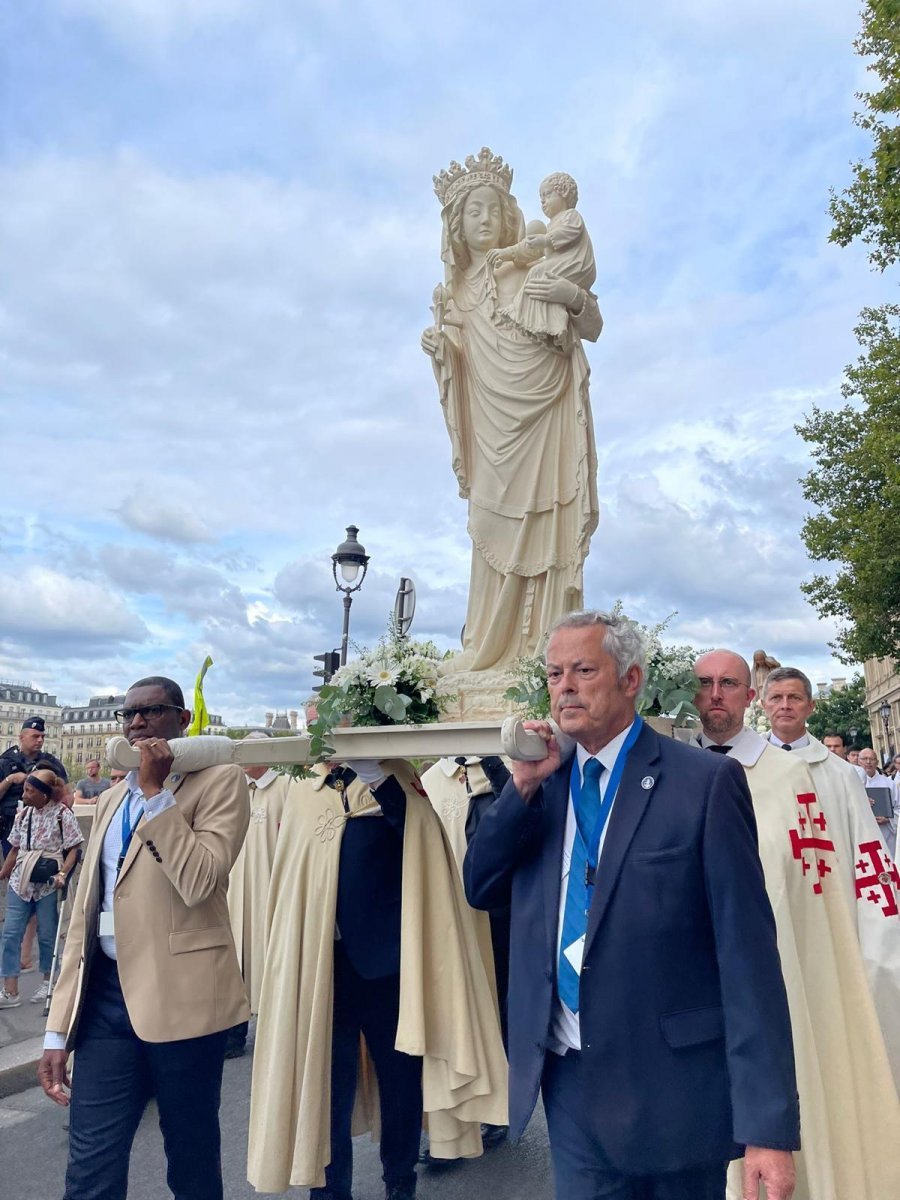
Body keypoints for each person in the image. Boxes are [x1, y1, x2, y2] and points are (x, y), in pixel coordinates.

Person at [464, 610, 799, 1200]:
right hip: (570, 1081)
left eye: (584, 669)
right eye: (554, 673)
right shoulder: (544, 785)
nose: (565, 686)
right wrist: (520, 785)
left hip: (673, 1089)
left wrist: (766, 1129)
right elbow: (481, 886)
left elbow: (747, 960)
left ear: (631, 679)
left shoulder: (701, 783)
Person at [248, 757, 507, 1200]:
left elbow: (421, 838)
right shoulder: (304, 790)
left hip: (389, 965)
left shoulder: (396, 778)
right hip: (323, 965)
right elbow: (293, 872)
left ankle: (399, 1178)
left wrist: (377, 779)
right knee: (328, 1084)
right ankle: (329, 1189)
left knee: (400, 1081)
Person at [693, 650, 900, 1199]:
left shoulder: (812, 779)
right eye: (704, 684)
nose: (716, 695)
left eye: (729, 683)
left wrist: (870, 957)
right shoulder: (673, 771)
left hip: (786, 963)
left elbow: (838, 881)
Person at [37, 676, 250, 1200]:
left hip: (183, 1001)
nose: (135, 723)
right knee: (90, 1165)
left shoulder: (221, 783)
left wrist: (157, 794)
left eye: (150, 711)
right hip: (106, 1002)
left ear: (182, 719)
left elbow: (200, 881)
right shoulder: (110, 799)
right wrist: (56, 1029)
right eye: (127, 714)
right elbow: (84, 918)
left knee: (192, 1158)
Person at [423, 148, 601, 672]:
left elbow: (590, 325)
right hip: (491, 424)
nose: (486, 220)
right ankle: (486, 642)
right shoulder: (453, 291)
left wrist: (569, 292)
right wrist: (443, 353)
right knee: (488, 519)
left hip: (545, 406)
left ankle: (544, 651)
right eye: (474, 211)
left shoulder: (530, 264)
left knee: (551, 519)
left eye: (494, 210)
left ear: (511, 215)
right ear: (456, 225)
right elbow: (460, 355)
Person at [761, 667, 900, 1090]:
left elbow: (868, 848)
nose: (785, 706)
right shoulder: (739, 770)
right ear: (763, 705)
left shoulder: (840, 775)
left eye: (794, 698)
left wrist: (880, 930)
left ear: (811, 706)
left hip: (828, 919)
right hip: (766, 921)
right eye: (776, 698)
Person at [224, 730, 290, 1059]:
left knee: (269, 962)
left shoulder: (288, 788)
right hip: (234, 893)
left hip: (270, 891)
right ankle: (234, 1036)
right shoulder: (234, 788)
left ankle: (274, 1033)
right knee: (232, 963)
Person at [0, 770, 83, 1008]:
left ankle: (48, 981)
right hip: (22, 878)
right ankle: (10, 989)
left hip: (47, 881)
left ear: (45, 794)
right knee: (10, 934)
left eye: (30, 790)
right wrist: (4, 872)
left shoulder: (62, 815)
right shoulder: (23, 814)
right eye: (25, 789)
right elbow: (15, 848)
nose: (25, 794)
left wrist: (63, 874)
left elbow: (74, 849)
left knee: (47, 935)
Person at [490, 172, 596, 347]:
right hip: (562, 264)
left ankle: (534, 319)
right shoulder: (551, 226)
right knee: (540, 275)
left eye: (547, 195)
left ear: (563, 193)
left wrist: (573, 296)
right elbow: (531, 249)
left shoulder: (570, 216)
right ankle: (539, 323)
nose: (543, 201)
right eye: (541, 197)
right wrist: (506, 253)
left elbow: (567, 233)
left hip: (577, 263)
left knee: (539, 272)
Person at [0, 717, 67, 854]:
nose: (40, 740)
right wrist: (10, 779)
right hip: (11, 829)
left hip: (44, 831)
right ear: (22, 737)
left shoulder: (51, 763)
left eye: (42, 736)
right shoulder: (5, 762)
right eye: (35, 736)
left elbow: (66, 796)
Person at [857, 747, 900, 851]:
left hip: (886, 833)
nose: (868, 762)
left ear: (877, 762)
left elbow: (898, 807)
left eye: (872, 759)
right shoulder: (852, 783)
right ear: (859, 761)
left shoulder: (889, 783)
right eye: (864, 758)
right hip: (862, 832)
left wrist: (888, 819)